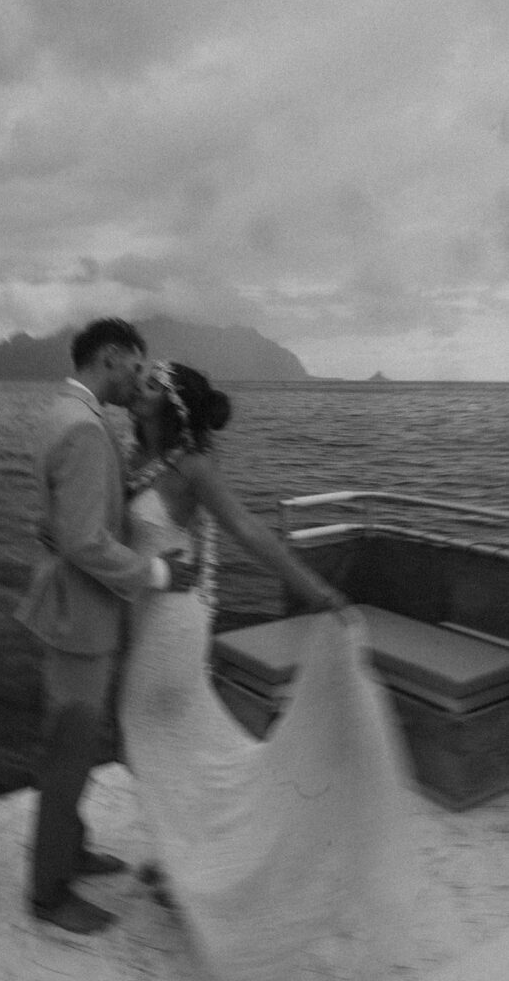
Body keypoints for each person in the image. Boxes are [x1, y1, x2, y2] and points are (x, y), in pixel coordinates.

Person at [120, 361, 425, 980]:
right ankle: (187, 859)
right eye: (141, 381)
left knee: (151, 729)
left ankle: (200, 864)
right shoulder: (136, 461)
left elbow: (247, 530)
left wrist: (317, 591)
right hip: (145, 612)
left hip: (175, 621)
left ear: (175, 406)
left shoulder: (192, 468)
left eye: (153, 384)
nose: (139, 388)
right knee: (184, 740)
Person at [15, 322, 197, 936]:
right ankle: (48, 893)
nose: (137, 383)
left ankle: (72, 848)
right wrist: (158, 572)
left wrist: (64, 531)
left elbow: (66, 522)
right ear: (111, 357)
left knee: (75, 742)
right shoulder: (87, 429)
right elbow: (86, 541)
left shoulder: (62, 411)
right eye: (135, 368)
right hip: (80, 618)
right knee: (70, 750)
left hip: (66, 607)